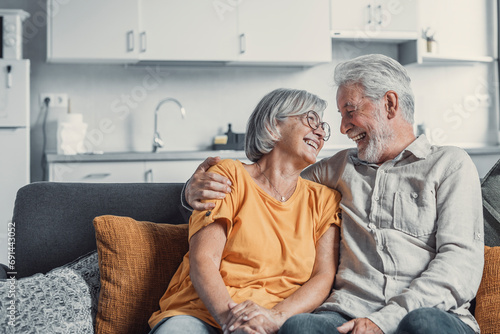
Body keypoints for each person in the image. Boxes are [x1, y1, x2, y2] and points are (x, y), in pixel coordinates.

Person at [184, 54, 484, 334]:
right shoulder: (337, 169)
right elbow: (268, 180)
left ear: (390, 104)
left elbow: (459, 265)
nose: (341, 128)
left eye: (350, 112)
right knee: (299, 327)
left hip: (427, 312)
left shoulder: (450, 164)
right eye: (340, 116)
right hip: (344, 317)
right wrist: (191, 190)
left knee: (423, 324)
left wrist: (382, 322)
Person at [149, 88, 342, 334]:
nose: (321, 131)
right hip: (201, 313)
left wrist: (275, 317)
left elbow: (323, 277)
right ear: (273, 126)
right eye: (311, 119)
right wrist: (233, 323)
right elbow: (204, 259)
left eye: (323, 125)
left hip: (272, 322)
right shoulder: (228, 176)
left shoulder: (324, 199)